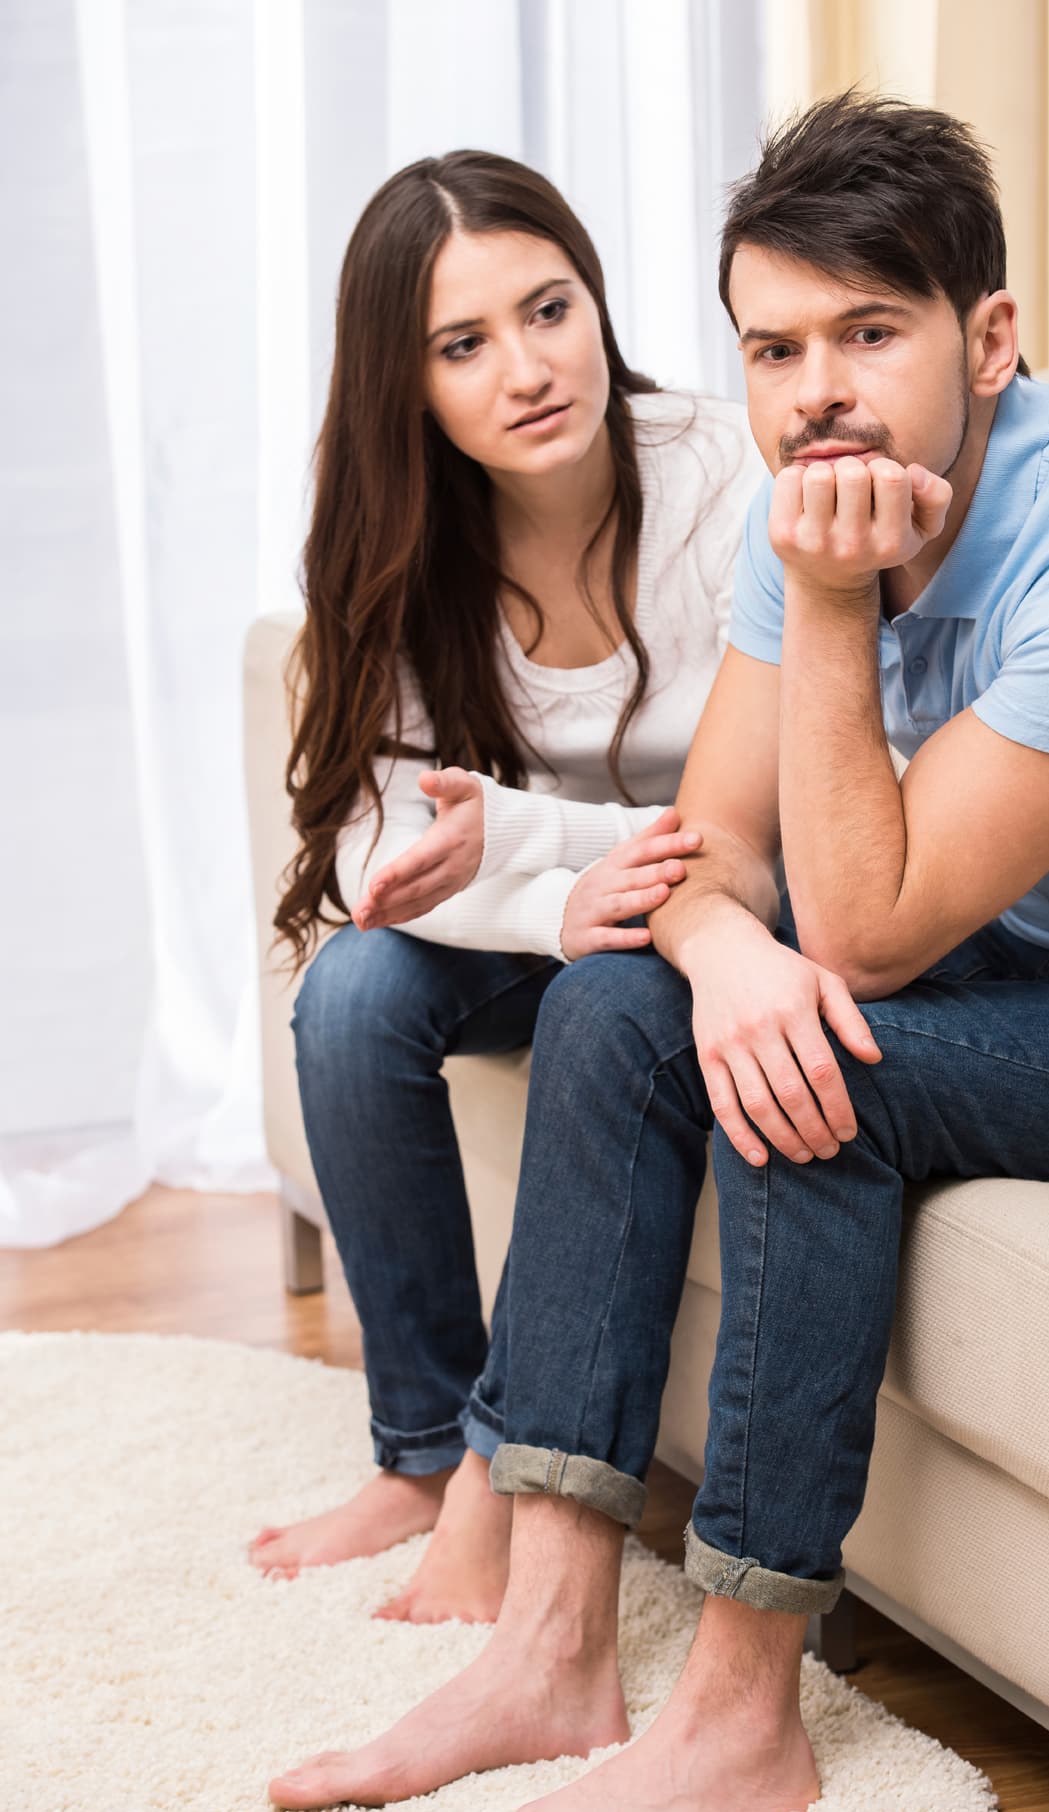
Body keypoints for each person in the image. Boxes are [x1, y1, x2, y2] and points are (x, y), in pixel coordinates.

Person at [268, 91, 1049, 1812]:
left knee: (822, 1063)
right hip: (1031, 949)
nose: (816, 389)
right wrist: (720, 941)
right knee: (622, 1007)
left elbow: (873, 937)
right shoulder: (814, 492)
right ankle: (552, 1647)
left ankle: (741, 1715)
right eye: (775, 346)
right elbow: (720, 853)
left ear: (990, 339)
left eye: (870, 335)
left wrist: (824, 612)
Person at [251, 149, 760, 1624]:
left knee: (613, 978)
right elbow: (370, 857)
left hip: (716, 897)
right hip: (544, 911)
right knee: (349, 998)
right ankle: (417, 1452)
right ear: (403, 386)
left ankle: (496, 1471)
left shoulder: (724, 473)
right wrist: (545, 902)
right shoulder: (401, 542)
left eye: (550, 310)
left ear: (597, 300)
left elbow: (768, 802)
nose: (528, 369)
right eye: (463, 346)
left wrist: (555, 855)